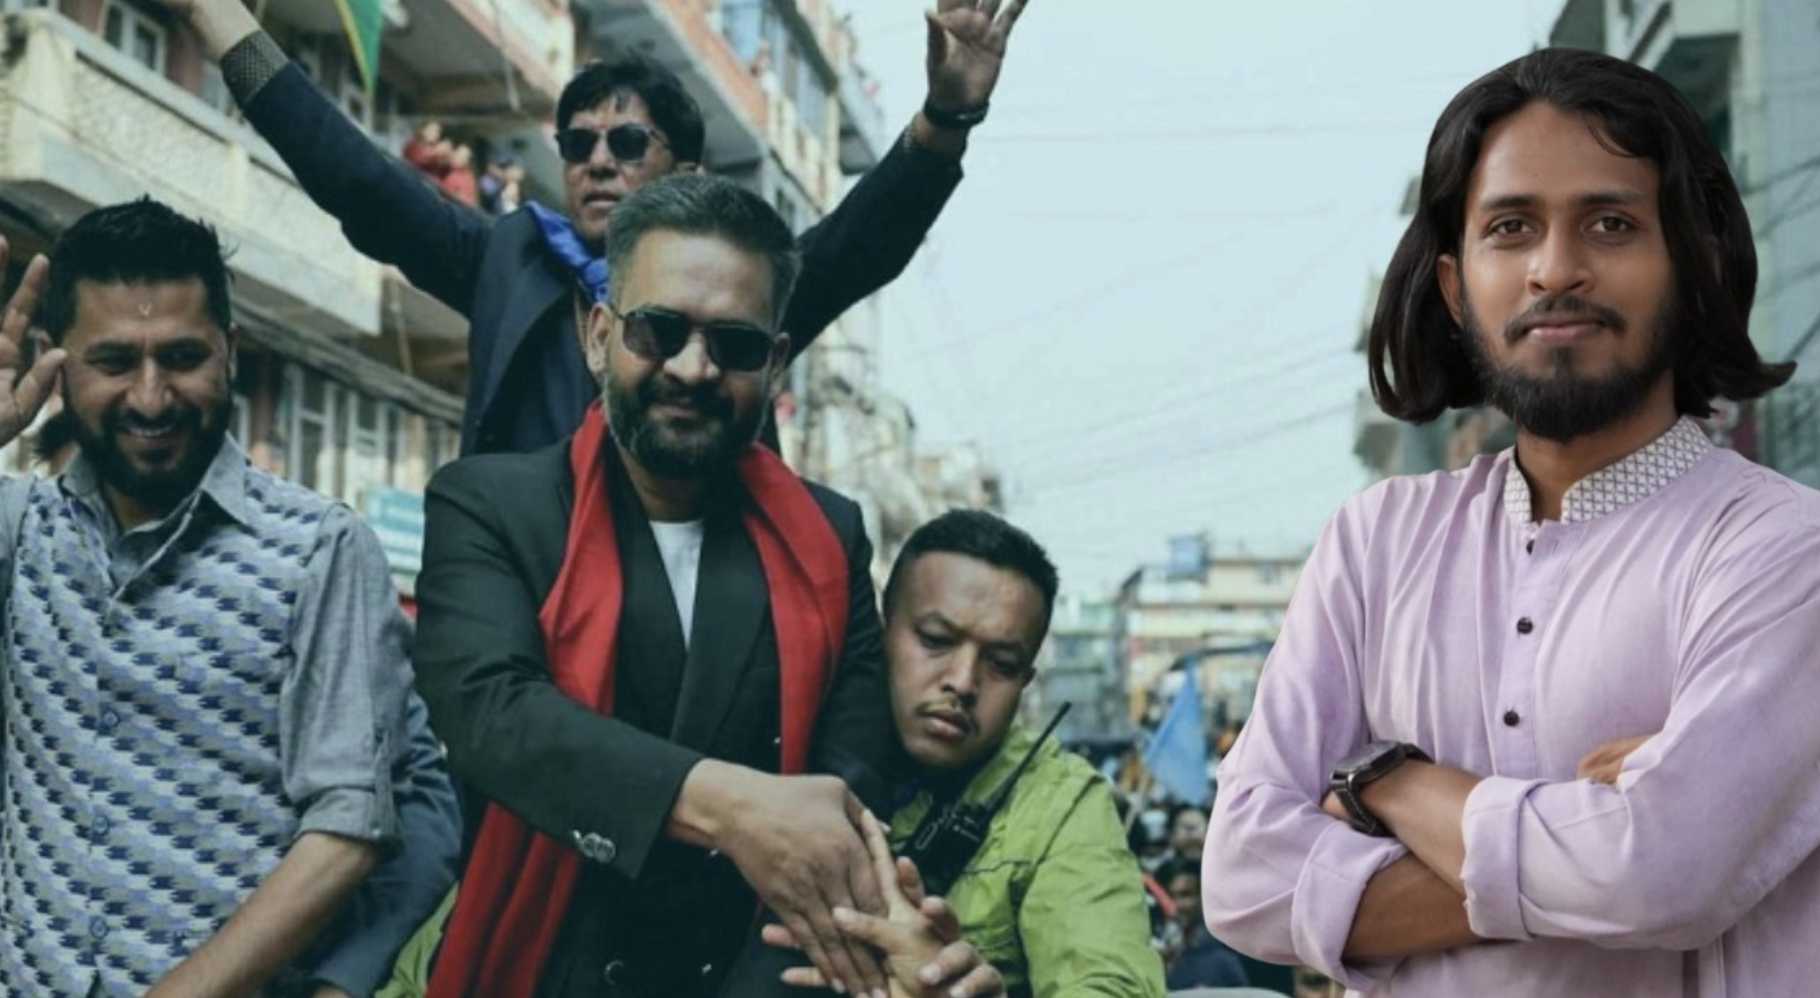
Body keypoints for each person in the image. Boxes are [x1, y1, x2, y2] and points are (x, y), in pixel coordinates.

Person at [1202, 48, 1820, 997]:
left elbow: (1660, 875)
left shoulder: (1781, 548)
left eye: (1610, 224)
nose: (1555, 270)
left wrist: (1390, 784)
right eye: (1511, 228)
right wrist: (1592, 839)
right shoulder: (1377, 542)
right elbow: (1242, 881)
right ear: (1457, 290)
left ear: (1693, 267)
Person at [409, 173, 996, 998]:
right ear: (599, 336)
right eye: (659, 330)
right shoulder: (490, 504)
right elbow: (490, 717)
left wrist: (900, 961)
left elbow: (846, 797)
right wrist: (733, 807)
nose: (694, 368)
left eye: (735, 345)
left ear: (776, 364)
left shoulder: (830, 538)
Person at [149, 0, 1033, 456]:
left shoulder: (741, 290)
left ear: (686, 173)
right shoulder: (509, 261)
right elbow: (360, 182)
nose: (598, 161)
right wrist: (219, 21)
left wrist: (945, 117)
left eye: (627, 142)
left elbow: (861, 243)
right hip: (532, 636)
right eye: (578, 144)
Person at [0, 199, 459, 998]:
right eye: (114, 362)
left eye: (182, 358)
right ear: (55, 363)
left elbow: (352, 824)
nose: (151, 398)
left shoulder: (321, 549)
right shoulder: (18, 530)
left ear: (231, 353)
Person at [878, 510, 1166, 997]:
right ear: (879, 632)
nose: (963, 682)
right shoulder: (791, 739)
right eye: (937, 641)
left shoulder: (1059, 800)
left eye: (1002, 664)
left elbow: (1111, 984)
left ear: (1025, 682)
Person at [1154, 859, 1248, 991]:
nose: (1175, 905)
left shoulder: (1223, 962)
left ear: (1201, 899)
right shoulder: (1146, 956)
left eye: (1185, 895)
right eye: (1169, 896)